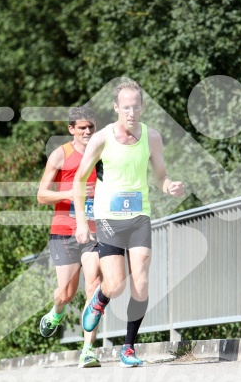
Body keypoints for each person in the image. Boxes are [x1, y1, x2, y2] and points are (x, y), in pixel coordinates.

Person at [74, 81, 184, 367]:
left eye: (136, 106)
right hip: (109, 220)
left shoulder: (152, 137)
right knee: (115, 285)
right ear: (116, 108)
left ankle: (128, 348)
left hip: (138, 218)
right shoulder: (101, 139)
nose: (132, 112)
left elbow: (161, 175)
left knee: (142, 281)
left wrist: (169, 185)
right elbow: (79, 179)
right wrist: (82, 222)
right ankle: (100, 299)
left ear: (142, 107)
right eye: (126, 107)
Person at [37, 106, 101, 368]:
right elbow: (41, 195)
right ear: (71, 129)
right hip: (64, 231)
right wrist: (72, 193)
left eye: (91, 127)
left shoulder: (102, 153)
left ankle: (88, 349)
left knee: (94, 284)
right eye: (82, 127)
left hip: (94, 230)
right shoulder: (60, 155)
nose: (87, 132)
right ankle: (57, 311)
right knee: (66, 293)